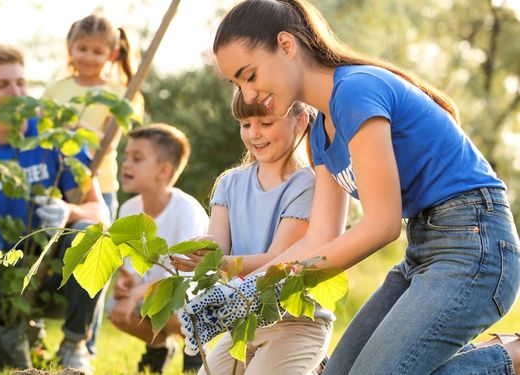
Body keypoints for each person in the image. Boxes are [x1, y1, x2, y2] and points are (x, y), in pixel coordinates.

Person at [195, 0, 520, 374]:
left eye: (249, 76)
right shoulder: (319, 136)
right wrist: (246, 289)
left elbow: (381, 226)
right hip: (425, 249)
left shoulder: (354, 91)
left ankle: (508, 358)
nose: (248, 95)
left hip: (475, 246)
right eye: (237, 84)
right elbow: (317, 240)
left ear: (286, 46)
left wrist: (263, 288)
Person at [0, 44, 109, 374]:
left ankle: (74, 346)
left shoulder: (57, 140)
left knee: (91, 236)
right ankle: (8, 341)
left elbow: (100, 213)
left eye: (20, 83)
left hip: (58, 276)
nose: (16, 93)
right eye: (3, 85)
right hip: (6, 276)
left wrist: (67, 211)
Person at [172, 91, 333, 375]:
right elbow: (218, 247)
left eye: (266, 123)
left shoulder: (308, 185)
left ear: (300, 121)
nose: (254, 133)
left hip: (297, 322)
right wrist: (200, 251)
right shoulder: (229, 183)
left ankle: (316, 367)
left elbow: (278, 262)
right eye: (246, 124)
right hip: (246, 321)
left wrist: (221, 263)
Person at [107, 123, 209, 373]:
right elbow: (132, 266)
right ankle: (159, 348)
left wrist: (137, 293)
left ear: (164, 171)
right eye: (126, 156)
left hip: (193, 298)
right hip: (153, 295)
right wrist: (128, 283)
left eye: (137, 158)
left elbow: (184, 279)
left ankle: (196, 357)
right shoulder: (128, 210)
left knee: (178, 312)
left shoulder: (186, 209)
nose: (126, 163)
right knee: (116, 309)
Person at [42, 13, 145, 220]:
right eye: (82, 49)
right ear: (71, 47)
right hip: (56, 186)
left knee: (93, 246)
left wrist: (75, 127)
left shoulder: (120, 95)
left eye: (97, 51)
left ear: (112, 54)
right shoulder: (55, 90)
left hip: (100, 188)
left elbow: (107, 144)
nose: (88, 57)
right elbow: (40, 133)